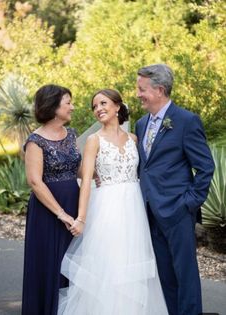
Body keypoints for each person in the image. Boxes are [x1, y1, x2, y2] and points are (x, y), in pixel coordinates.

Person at [57, 89, 168, 315]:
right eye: (95, 106)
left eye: (103, 103)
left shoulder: (134, 139)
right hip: (107, 210)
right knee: (110, 264)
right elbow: (86, 181)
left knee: (133, 266)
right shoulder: (93, 140)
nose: (99, 109)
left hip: (134, 209)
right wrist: (81, 218)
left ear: (118, 106)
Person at [135, 64, 215, 315]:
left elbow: (205, 168)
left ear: (159, 89)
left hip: (178, 211)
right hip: (150, 211)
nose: (137, 93)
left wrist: (189, 203)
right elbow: (144, 168)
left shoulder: (186, 121)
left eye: (141, 89)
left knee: (185, 274)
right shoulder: (140, 124)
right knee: (164, 275)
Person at [22, 84, 81, 315]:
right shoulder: (35, 141)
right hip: (48, 212)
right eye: (68, 103)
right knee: (49, 265)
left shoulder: (72, 134)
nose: (72, 107)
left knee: (73, 263)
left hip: (74, 205)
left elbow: (77, 169)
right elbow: (35, 182)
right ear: (54, 106)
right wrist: (61, 214)